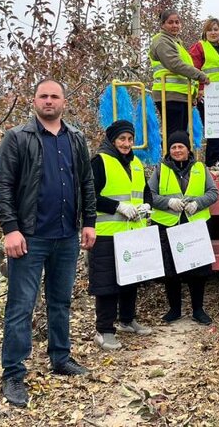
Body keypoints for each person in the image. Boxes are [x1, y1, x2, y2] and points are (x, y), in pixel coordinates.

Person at [0, 79, 97, 407]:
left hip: (66, 235)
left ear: (64, 102)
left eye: (55, 96)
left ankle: (60, 358)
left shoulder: (76, 138)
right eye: (43, 96)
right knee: (21, 306)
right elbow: (3, 185)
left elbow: (86, 182)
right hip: (30, 237)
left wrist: (89, 222)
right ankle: (13, 374)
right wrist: (11, 229)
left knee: (60, 302)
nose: (49, 101)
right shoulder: (17, 138)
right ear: (34, 100)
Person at [88, 120, 154, 351]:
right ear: (112, 140)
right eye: (122, 139)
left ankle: (127, 320)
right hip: (107, 233)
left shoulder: (135, 163)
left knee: (131, 279)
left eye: (129, 139)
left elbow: (145, 191)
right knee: (107, 283)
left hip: (133, 232)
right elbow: (88, 196)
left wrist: (147, 206)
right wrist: (117, 207)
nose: (126, 144)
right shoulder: (100, 161)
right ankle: (104, 330)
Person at [149, 131, 219, 325]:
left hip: (195, 225)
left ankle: (198, 309)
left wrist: (198, 203)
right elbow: (150, 195)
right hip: (167, 224)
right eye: (173, 147)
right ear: (169, 150)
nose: (177, 150)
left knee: (198, 270)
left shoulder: (200, 168)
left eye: (181, 146)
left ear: (188, 149)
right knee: (171, 272)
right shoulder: (160, 169)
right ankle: (174, 309)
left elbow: (213, 192)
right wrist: (168, 202)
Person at [149, 9, 210, 142]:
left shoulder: (176, 42)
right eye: (170, 22)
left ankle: (179, 161)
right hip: (169, 94)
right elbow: (174, 64)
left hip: (180, 95)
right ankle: (171, 162)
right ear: (162, 24)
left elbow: (184, 73)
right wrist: (200, 75)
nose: (175, 25)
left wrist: (192, 94)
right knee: (175, 136)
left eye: (177, 22)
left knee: (180, 135)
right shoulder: (162, 41)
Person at [188, 17, 219, 171]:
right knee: (213, 127)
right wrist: (199, 89)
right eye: (210, 29)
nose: (213, 32)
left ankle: (218, 159)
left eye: (216, 29)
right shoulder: (200, 47)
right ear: (205, 32)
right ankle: (214, 160)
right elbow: (193, 69)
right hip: (208, 95)